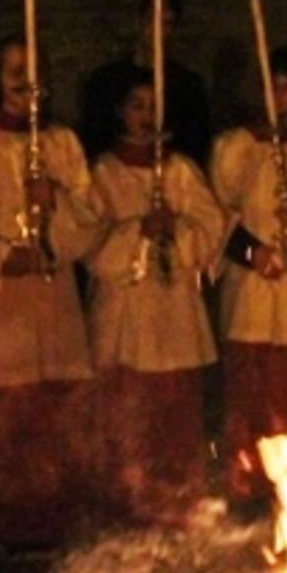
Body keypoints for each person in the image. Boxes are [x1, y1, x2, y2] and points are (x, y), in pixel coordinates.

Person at [0, 34, 99, 549]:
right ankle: (7, 528)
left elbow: (90, 220)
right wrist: (1, 255)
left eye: (33, 69)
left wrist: (56, 200)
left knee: (56, 413)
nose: (24, 81)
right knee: (9, 414)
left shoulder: (62, 142)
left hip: (54, 294)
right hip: (3, 300)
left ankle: (54, 526)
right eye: (12, 70)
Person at [85, 68, 228, 524]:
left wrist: (178, 230)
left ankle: (179, 506)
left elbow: (211, 230)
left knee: (176, 420)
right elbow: (90, 244)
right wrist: (138, 232)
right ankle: (129, 508)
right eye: (136, 105)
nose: (146, 116)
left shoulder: (181, 171)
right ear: (119, 111)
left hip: (174, 313)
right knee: (129, 419)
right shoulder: (104, 172)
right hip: (127, 314)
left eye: (153, 106)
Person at [209, 45, 287, 500]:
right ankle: (247, 485)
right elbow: (214, 214)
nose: (279, 95)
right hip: (251, 290)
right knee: (250, 393)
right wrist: (252, 252)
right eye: (271, 85)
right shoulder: (235, 147)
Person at [78, 0, 212, 166]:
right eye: (152, 20)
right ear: (138, 23)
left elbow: (196, 144)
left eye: (166, 23)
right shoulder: (106, 80)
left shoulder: (188, 86)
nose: (158, 30)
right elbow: (93, 139)